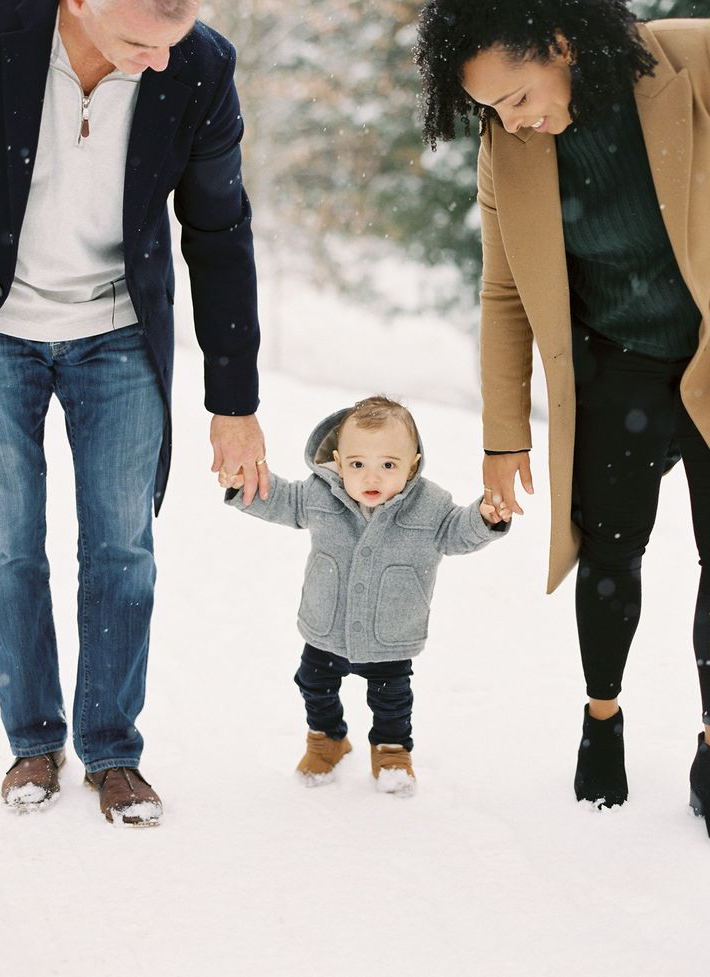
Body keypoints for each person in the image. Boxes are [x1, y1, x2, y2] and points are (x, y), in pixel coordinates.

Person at [414, 1, 710, 831]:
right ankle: (602, 717)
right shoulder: (507, 149)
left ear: (559, 42)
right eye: (491, 110)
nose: (511, 121)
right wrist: (503, 433)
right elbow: (503, 292)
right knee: (612, 549)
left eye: (514, 96)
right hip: (620, 366)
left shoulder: (691, 59)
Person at [0, 0, 269, 825]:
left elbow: (219, 230)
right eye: (141, 43)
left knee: (121, 546)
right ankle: (33, 740)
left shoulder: (200, 66)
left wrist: (234, 400)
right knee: (2, 544)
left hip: (117, 331)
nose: (159, 62)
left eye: (171, 43)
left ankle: (112, 751)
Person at [223, 396, 510, 796]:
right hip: (326, 626)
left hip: (389, 634)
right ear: (339, 462)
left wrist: (484, 517)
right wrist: (245, 487)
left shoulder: (430, 506)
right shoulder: (322, 495)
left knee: (392, 701)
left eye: (388, 465)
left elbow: (456, 532)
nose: (370, 478)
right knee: (313, 684)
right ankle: (327, 740)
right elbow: (283, 501)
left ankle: (391, 752)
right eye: (357, 464)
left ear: (412, 464)